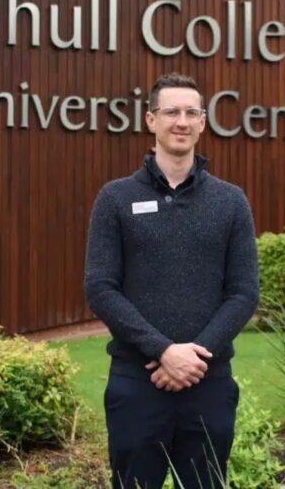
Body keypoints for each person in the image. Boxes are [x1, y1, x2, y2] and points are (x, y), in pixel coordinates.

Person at [84, 72, 259, 489]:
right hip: (136, 384)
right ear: (150, 120)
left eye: (191, 112)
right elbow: (101, 287)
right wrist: (163, 351)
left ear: (202, 122)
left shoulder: (231, 201)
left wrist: (194, 358)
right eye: (171, 112)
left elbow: (244, 292)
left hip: (208, 383)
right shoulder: (115, 198)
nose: (181, 121)